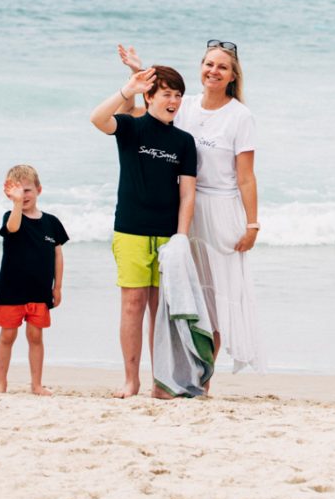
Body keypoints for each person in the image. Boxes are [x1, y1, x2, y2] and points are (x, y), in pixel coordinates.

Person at [118, 42, 262, 377]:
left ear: (232, 75)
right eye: (209, 64)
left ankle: (203, 379)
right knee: (183, 298)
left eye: (222, 67)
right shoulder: (185, 105)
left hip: (221, 211)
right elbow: (144, 114)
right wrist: (134, 74)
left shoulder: (240, 116)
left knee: (212, 301)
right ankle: (174, 374)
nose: (213, 71)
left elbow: (246, 177)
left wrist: (253, 225)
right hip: (180, 209)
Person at [88, 65, 198, 399]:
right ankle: (130, 379)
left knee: (160, 313)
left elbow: (187, 193)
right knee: (133, 306)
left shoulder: (184, 141)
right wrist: (128, 88)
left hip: (167, 236)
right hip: (131, 231)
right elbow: (97, 118)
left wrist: (181, 236)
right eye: (166, 94)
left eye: (178, 95)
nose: (174, 101)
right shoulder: (131, 128)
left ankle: (160, 381)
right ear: (149, 97)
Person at [0, 164, 67, 396]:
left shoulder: (52, 223)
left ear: (38, 190)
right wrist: (16, 204)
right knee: (7, 335)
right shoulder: (11, 216)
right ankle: (1, 383)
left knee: (36, 336)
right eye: (17, 191)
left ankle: (36, 384)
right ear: (9, 193)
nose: (23, 196)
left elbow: (58, 254)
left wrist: (58, 286)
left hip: (40, 290)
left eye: (27, 190)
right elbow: (12, 228)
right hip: (11, 289)